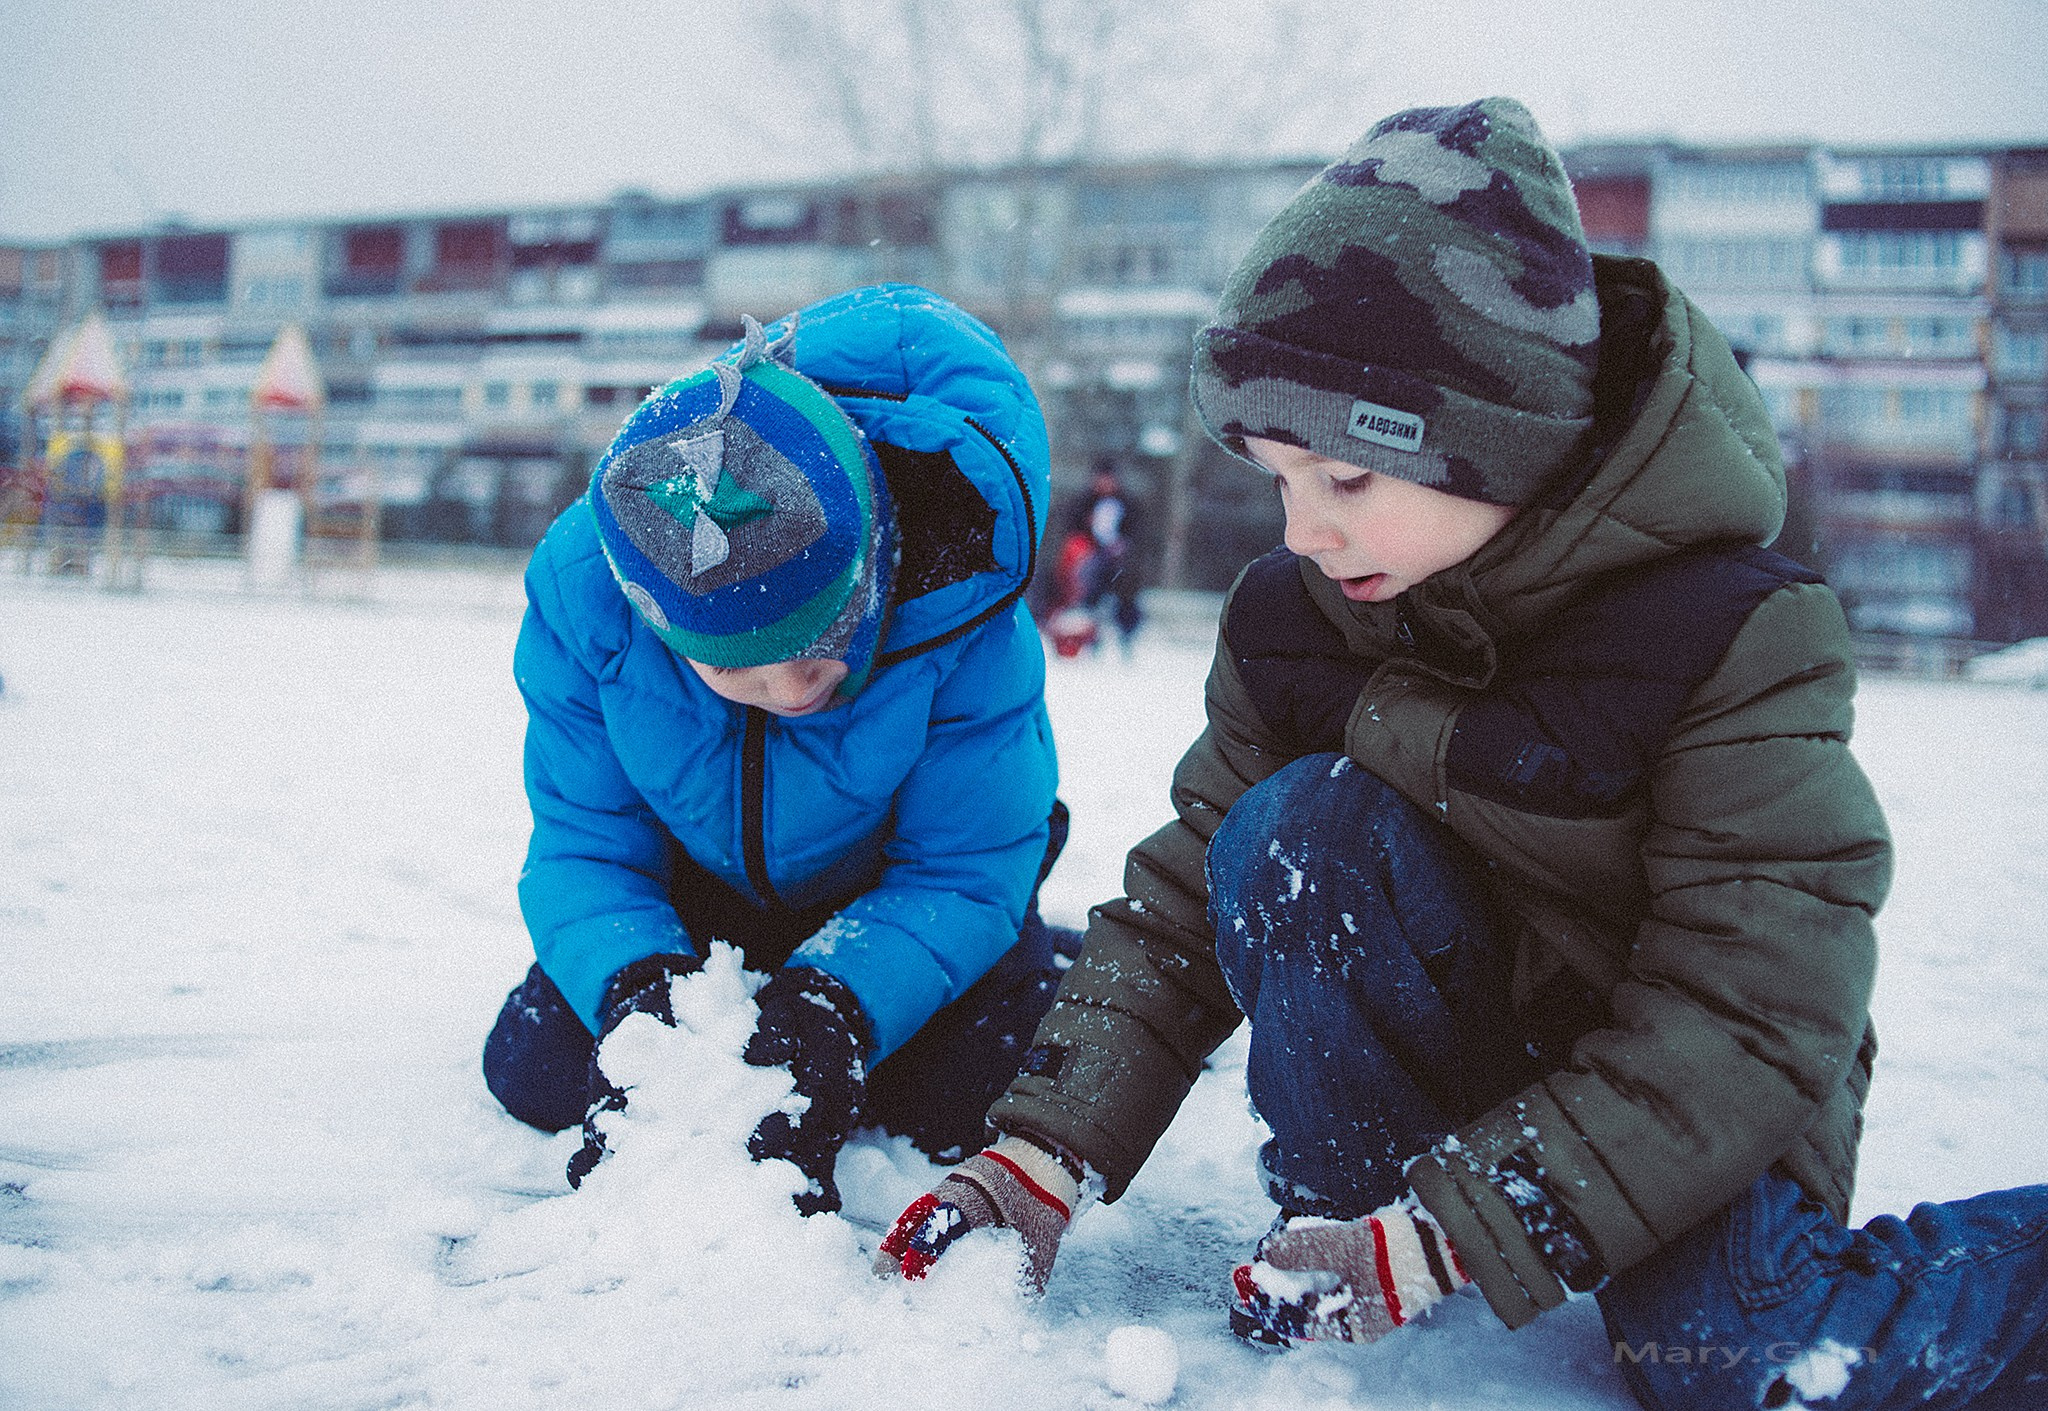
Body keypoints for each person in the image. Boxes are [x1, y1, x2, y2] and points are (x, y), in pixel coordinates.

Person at [873, 101, 2048, 1411]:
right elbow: (1183, 901)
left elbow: (1753, 1008)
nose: (1304, 528)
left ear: (1499, 439)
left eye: (1345, 480)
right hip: (1453, 1049)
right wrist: (1039, 1152)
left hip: (1687, 1084)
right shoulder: (1301, 617)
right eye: (1275, 478)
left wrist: (1459, 1236)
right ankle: (1358, 1217)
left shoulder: (1731, 635)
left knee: (1742, 1354)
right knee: (1285, 835)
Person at [483, 283, 1073, 1215]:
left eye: (825, 644)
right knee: (538, 1067)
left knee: (970, 1093)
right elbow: (586, 845)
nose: (797, 691)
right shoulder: (588, 603)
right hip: (705, 885)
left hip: (897, 879)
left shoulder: (966, 614)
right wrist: (645, 992)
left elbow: (962, 864)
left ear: (874, 562)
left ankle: (1041, 955)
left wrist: (836, 1006)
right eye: (742, 673)